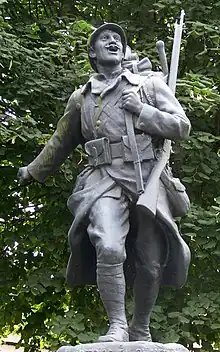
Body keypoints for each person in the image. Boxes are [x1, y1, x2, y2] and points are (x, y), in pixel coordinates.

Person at [18, 23, 191, 343]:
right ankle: (117, 325)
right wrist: (33, 171)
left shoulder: (149, 85)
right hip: (102, 179)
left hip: (145, 178)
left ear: (124, 51)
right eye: (104, 39)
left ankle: (140, 326)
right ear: (92, 54)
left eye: (118, 39)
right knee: (108, 246)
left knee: (151, 263)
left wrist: (142, 110)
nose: (112, 41)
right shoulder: (80, 98)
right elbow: (60, 141)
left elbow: (181, 126)